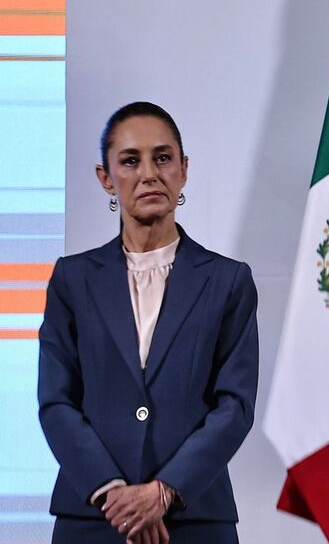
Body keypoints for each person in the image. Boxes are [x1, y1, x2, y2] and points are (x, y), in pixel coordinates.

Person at [38, 102, 259, 543]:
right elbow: (56, 401)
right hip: (94, 519)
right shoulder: (72, 279)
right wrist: (112, 493)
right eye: (130, 161)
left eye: (162, 158)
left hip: (195, 520)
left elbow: (235, 405)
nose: (148, 174)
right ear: (106, 178)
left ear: (183, 169)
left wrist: (164, 491)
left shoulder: (228, 280)